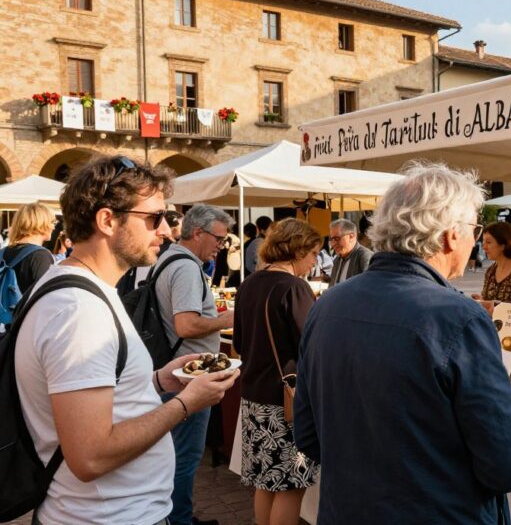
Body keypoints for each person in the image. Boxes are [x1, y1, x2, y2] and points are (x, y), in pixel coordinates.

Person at [292, 162, 511, 523]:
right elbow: (507, 466)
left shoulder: (326, 306)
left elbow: (309, 438)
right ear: (452, 234)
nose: (473, 241)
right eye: (474, 230)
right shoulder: (459, 318)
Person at [14, 155, 237, 524]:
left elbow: (95, 398)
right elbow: (90, 455)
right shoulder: (78, 311)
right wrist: (184, 403)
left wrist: (158, 380)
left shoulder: (80, 292)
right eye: (153, 218)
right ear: (106, 220)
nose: (165, 231)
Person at [233, 218, 321, 525]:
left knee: (265, 482)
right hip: (287, 403)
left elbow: (240, 343)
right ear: (298, 250)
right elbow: (312, 347)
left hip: (253, 398)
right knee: (291, 486)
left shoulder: (248, 284)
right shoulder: (294, 288)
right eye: (313, 253)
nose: (313, 262)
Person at [152, 204, 235, 525]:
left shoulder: (170, 259)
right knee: (185, 457)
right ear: (197, 233)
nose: (221, 245)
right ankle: (180, 519)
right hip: (188, 374)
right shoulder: (185, 267)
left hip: (176, 369)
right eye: (218, 238)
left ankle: (176, 515)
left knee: (176, 454)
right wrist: (229, 318)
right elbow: (186, 325)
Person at [2, 201, 57, 294]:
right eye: (52, 222)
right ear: (41, 223)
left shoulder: (2, 252)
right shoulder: (40, 256)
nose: (54, 227)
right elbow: (46, 296)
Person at [327, 218, 373, 287]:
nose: (333, 244)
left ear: (351, 237)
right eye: (331, 239)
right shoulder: (337, 260)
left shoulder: (364, 256)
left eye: (337, 239)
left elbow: (369, 286)